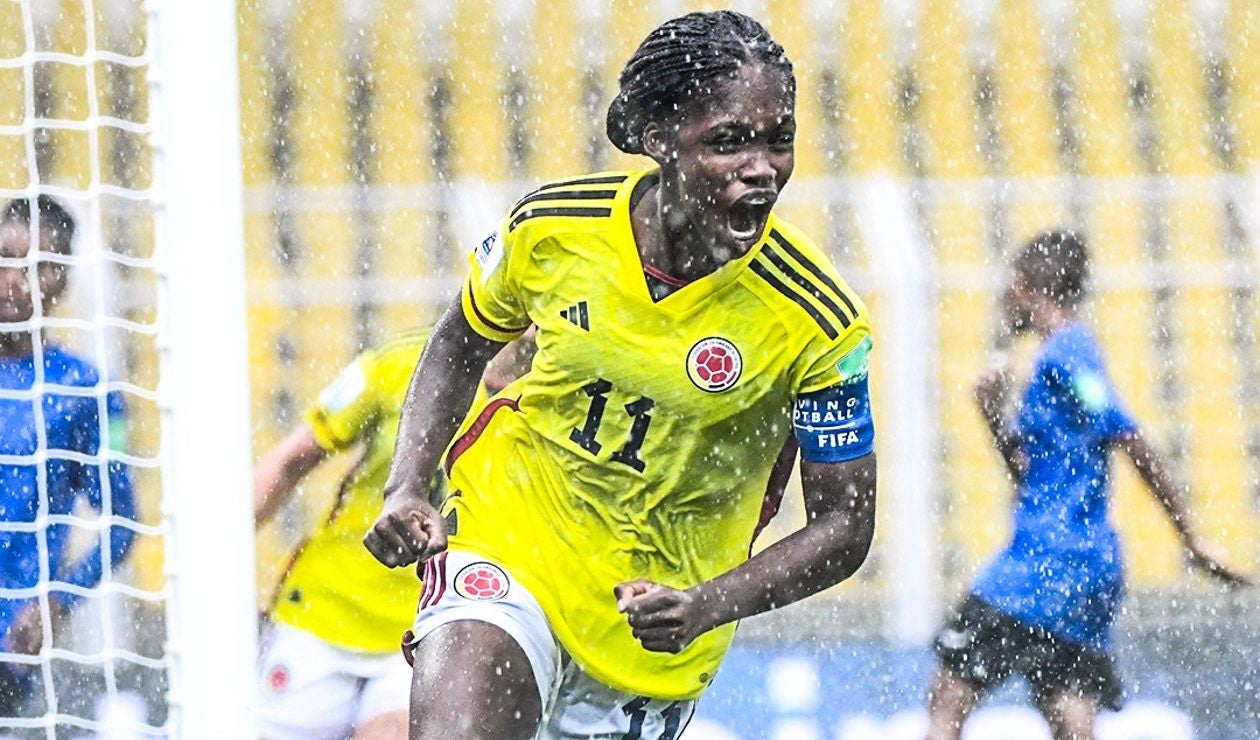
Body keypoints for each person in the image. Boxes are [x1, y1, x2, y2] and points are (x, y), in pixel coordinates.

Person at [364, 11, 878, 739]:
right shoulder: (553, 231)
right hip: (513, 542)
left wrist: (705, 603)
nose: (762, 166)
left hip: (655, 623)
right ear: (658, 139)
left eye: (779, 139)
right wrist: (409, 485)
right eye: (729, 140)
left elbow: (846, 525)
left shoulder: (819, 321)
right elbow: (457, 344)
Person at [925, 230, 1252, 740]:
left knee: (948, 698)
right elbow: (1034, 471)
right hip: (1087, 572)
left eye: (1010, 289)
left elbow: (1128, 435)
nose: (1004, 302)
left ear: (1025, 285)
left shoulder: (1068, 356)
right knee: (1068, 712)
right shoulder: (1060, 361)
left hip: (1044, 561)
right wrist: (992, 415)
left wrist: (1191, 537)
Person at [254, 329, 534, 740]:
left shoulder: (567, 399)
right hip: (324, 609)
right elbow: (290, 461)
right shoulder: (405, 366)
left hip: (427, 627)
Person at [0, 195, 136, 715]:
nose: (17, 279)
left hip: (9, 638)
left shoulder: (81, 389)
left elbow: (123, 520)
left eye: (40, 266)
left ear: (62, 283)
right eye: (7, 257)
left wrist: (56, 601)